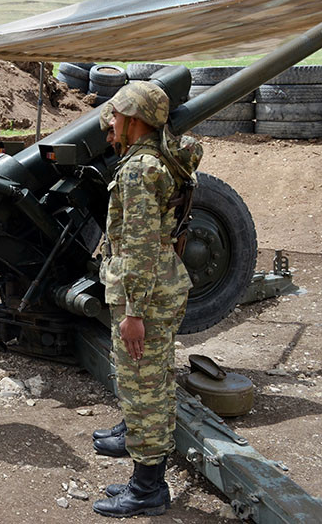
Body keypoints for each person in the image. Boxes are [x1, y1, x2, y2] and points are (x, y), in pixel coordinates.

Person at [91, 81, 202, 518]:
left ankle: (147, 489)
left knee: (144, 391)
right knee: (153, 383)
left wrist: (134, 311)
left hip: (146, 295)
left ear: (134, 120)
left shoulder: (140, 170)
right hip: (161, 284)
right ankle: (146, 477)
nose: (112, 122)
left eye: (117, 115)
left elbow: (137, 247)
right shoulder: (156, 159)